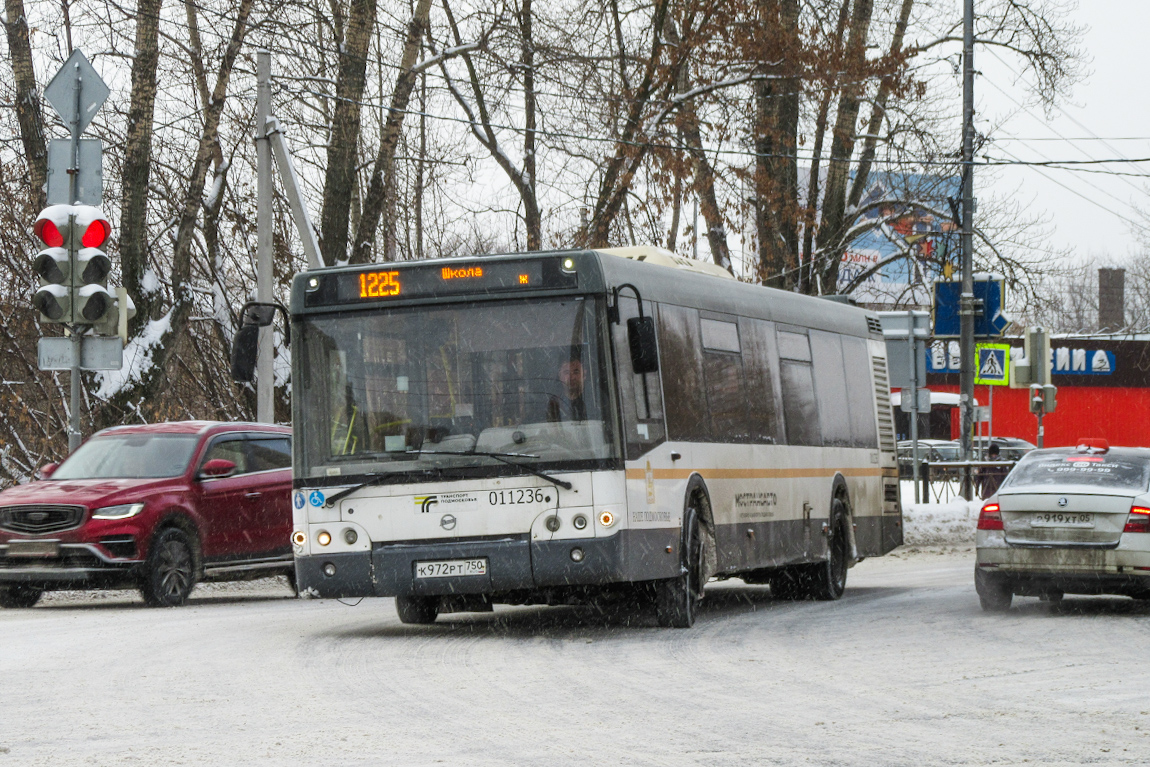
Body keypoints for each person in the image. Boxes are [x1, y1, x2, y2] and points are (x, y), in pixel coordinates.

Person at [546, 357, 587, 422]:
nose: (572, 377)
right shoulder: (553, 404)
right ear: (560, 375)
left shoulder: (595, 401)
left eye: (576, 372)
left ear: (584, 375)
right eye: (567, 372)